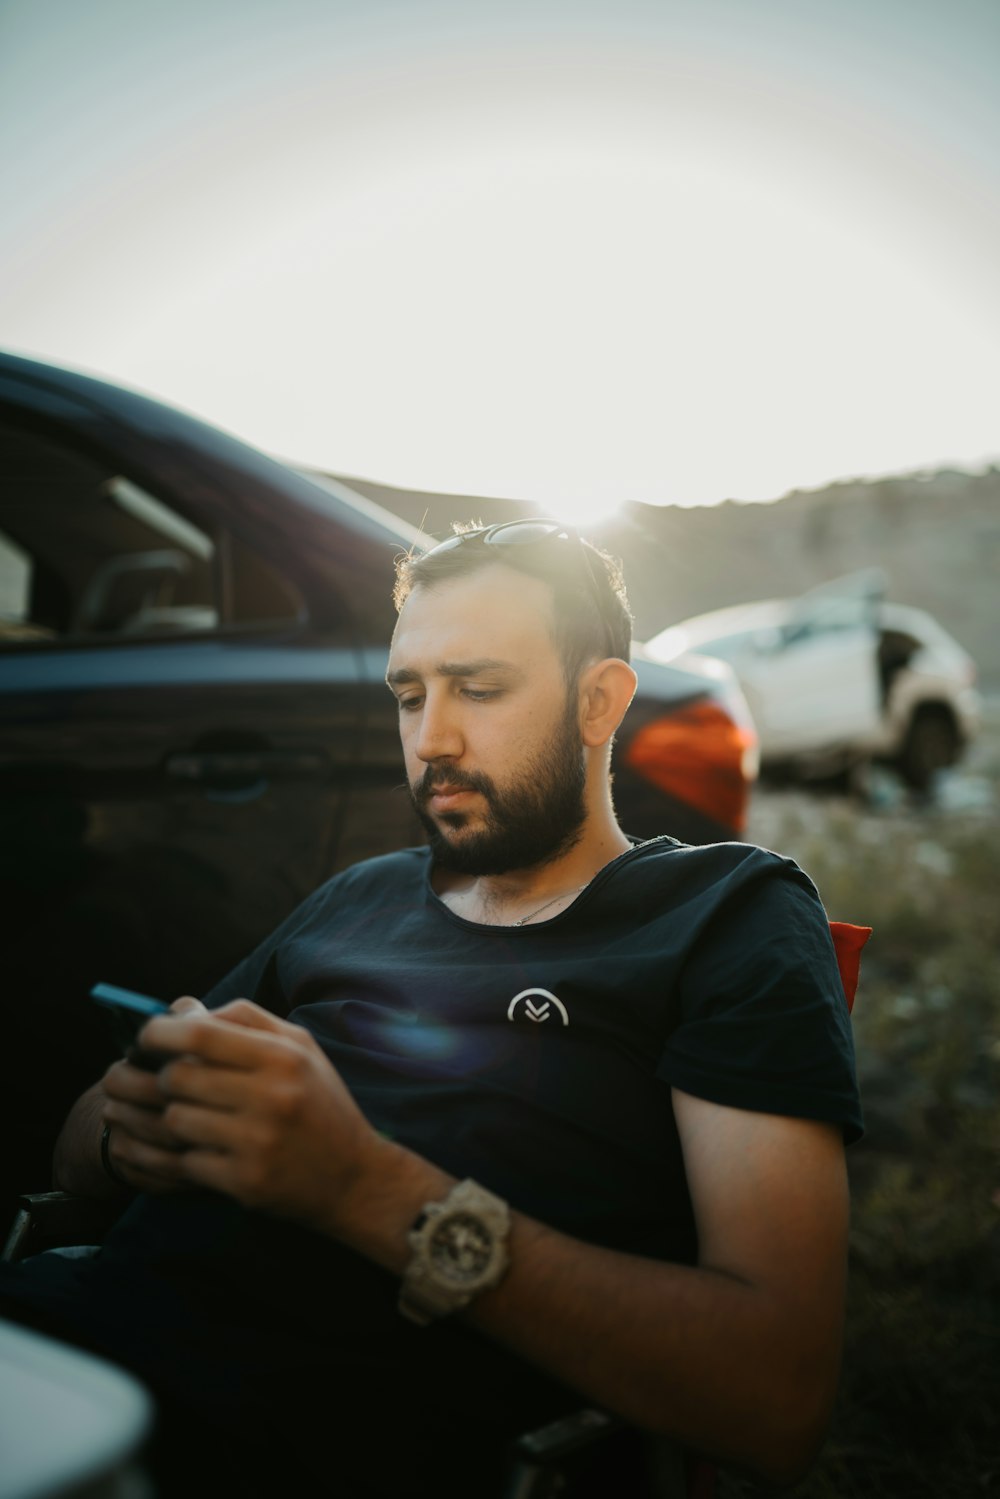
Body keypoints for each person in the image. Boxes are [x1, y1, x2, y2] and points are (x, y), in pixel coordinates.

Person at [0, 520, 862, 1498]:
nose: (431, 738)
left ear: (598, 700)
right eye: (409, 695)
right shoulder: (357, 893)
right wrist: (137, 1128)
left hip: (284, 1434)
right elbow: (76, 1155)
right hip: (62, 1338)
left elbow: (774, 1397)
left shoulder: (727, 914)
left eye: (479, 688)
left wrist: (357, 1184)